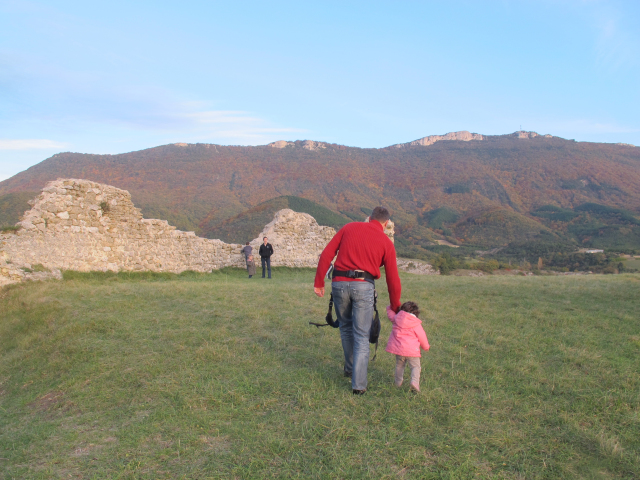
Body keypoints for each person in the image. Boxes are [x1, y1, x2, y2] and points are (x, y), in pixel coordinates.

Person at [314, 206, 401, 395]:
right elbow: (393, 279)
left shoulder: (349, 227)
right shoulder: (386, 242)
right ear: (386, 224)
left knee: (345, 327)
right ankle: (359, 385)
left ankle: (349, 368)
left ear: (369, 218)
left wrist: (319, 281)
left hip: (338, 284)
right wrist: (395, 306)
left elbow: (327, 254)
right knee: (362, 335)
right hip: (363, 286)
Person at [385, 301, 430, 392]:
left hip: (399, 350)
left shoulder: (396, 319)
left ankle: (398, 383)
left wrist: (390, 307)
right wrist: (426, 347)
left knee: (399, 366)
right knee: (415, 367)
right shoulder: (415, 324)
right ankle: (414, 382)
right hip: (412, 351)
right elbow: (422, 336)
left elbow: (390, 315)